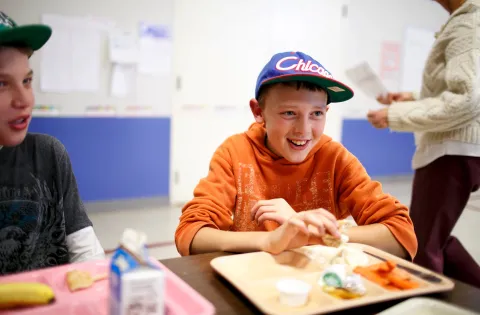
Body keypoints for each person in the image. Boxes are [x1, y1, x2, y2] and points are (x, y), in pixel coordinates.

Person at [175, 51, 418, 261]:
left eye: (316, 114)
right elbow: (192, 233)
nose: (304, 130)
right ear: (258, 112)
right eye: (290, 113)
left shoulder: (335, 158)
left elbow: (400, 234)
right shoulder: (234, 152)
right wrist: (269, 240)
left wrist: (311, 230)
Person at [367, 0, 480, 288]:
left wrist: (395, 115)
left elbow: (467, 100)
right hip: (457, 149)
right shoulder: (464, 21)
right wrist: (412, 99)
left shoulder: (468, 23)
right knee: (434, 238)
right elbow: (457, 92)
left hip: (451, 150)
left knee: (420, 243)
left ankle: (423, 304)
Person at [0, 12, 105, 275]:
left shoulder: (48, 154)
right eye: (1, 84)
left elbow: (86, 252)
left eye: (26, 81)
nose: (24, 100)